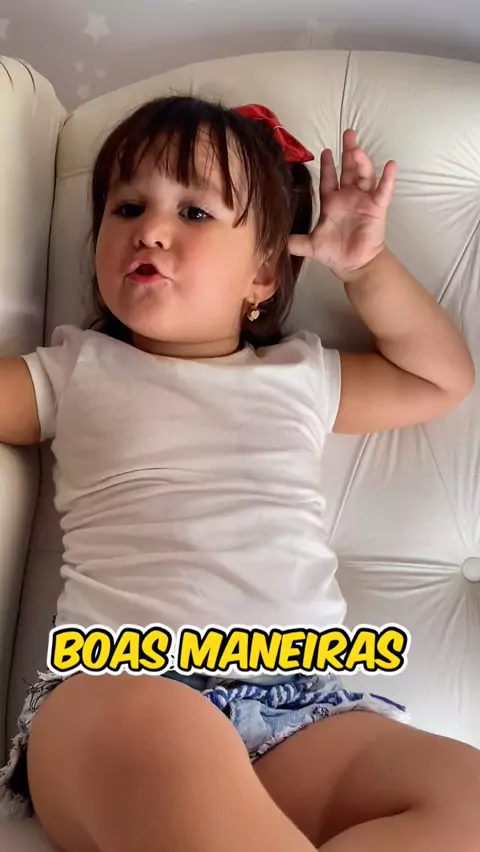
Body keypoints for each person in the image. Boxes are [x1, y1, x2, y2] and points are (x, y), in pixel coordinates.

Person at [0, 95, 477, 852]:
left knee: (466, 798)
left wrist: (365, 268)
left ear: (262, 273)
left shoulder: (300, 376)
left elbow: (438, 379)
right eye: (127, 208)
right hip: (118, 691)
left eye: (194, 213)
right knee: (165, 737)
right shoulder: (76, 369)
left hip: (300, 711)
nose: (150, 229)